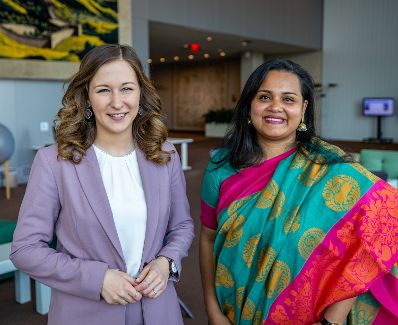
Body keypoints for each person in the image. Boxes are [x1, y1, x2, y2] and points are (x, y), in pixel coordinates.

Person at [199, 59, 398, 325]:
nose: (276, 107)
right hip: (232, 313)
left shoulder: (330, 167)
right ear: (249, 104)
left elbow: (383, 224)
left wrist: (332, 321)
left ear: (303, 108)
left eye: (288, 99)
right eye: (265, 96)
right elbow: (208, 239)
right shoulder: (221, 166)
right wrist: (213, 312)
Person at [10, 44, 194, 325]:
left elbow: (182, 226)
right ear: (87, 97)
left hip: (158, 311)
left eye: (127, 89)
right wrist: (97, 279)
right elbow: (25, 249)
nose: (117, 102)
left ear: (141, 94)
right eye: (104, 90)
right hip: (87, 313)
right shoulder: (54, 161)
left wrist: (166, 262)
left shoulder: (164, 154)